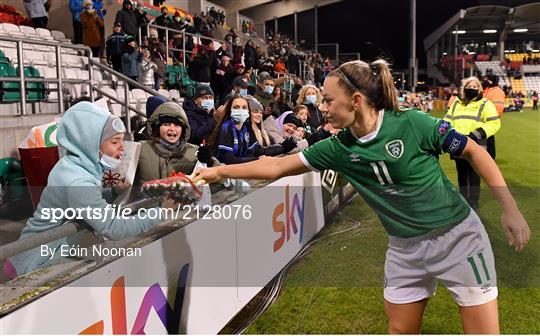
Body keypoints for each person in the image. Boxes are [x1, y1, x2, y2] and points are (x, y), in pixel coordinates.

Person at [194, 59, 530, 334]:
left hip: (457, 239)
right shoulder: (337, 148)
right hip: (404, 250)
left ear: (355, 101)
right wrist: (219, 171)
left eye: (327, 100)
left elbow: (474, 151)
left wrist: (509, 208)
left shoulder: (412, 123)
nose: (321, 107)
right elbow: (278, 166)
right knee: (399, 331)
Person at [4, 102, 169, 278]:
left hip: (29, 254)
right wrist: (162, 212)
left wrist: (113, 192)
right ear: (89, 143)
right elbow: (113, 228)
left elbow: (78, 203)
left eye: (122, 140)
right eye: (115, 142)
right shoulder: (79, 182)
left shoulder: (71, 165)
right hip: (34, 263)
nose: (122, 148)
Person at [445, 76, 501, 211]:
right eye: (469, 86)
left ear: (480, 89)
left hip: (476, 145)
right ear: (464, 89)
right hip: (458, 144)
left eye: (475, 87)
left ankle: (474, 202)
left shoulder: (486, 104)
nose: (472, 89)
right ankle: (463, 200)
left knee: (474, 174)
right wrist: (447, 132)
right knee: (461, 174)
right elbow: (447, 120)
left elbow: (494, 123)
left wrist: (476, 134)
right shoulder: (456, 104)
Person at [135, 102, 219, 185]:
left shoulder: (194, 152)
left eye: (177, 125)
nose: (172, 129)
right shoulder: (141, 149)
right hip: (147, 198)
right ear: (157, 128)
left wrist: (209, 163)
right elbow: (124, 179)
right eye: (166, 124)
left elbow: (223, 178)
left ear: (183, 129)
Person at [482, 74, 505, 159]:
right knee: (486, 138)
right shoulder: (489, 90)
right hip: (486, 117)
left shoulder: (495, 91)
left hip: (491, 118)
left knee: (489, 138)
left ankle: (490, 157)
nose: (484, 81)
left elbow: (498, 106)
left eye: (486, 80)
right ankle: (488, 156)